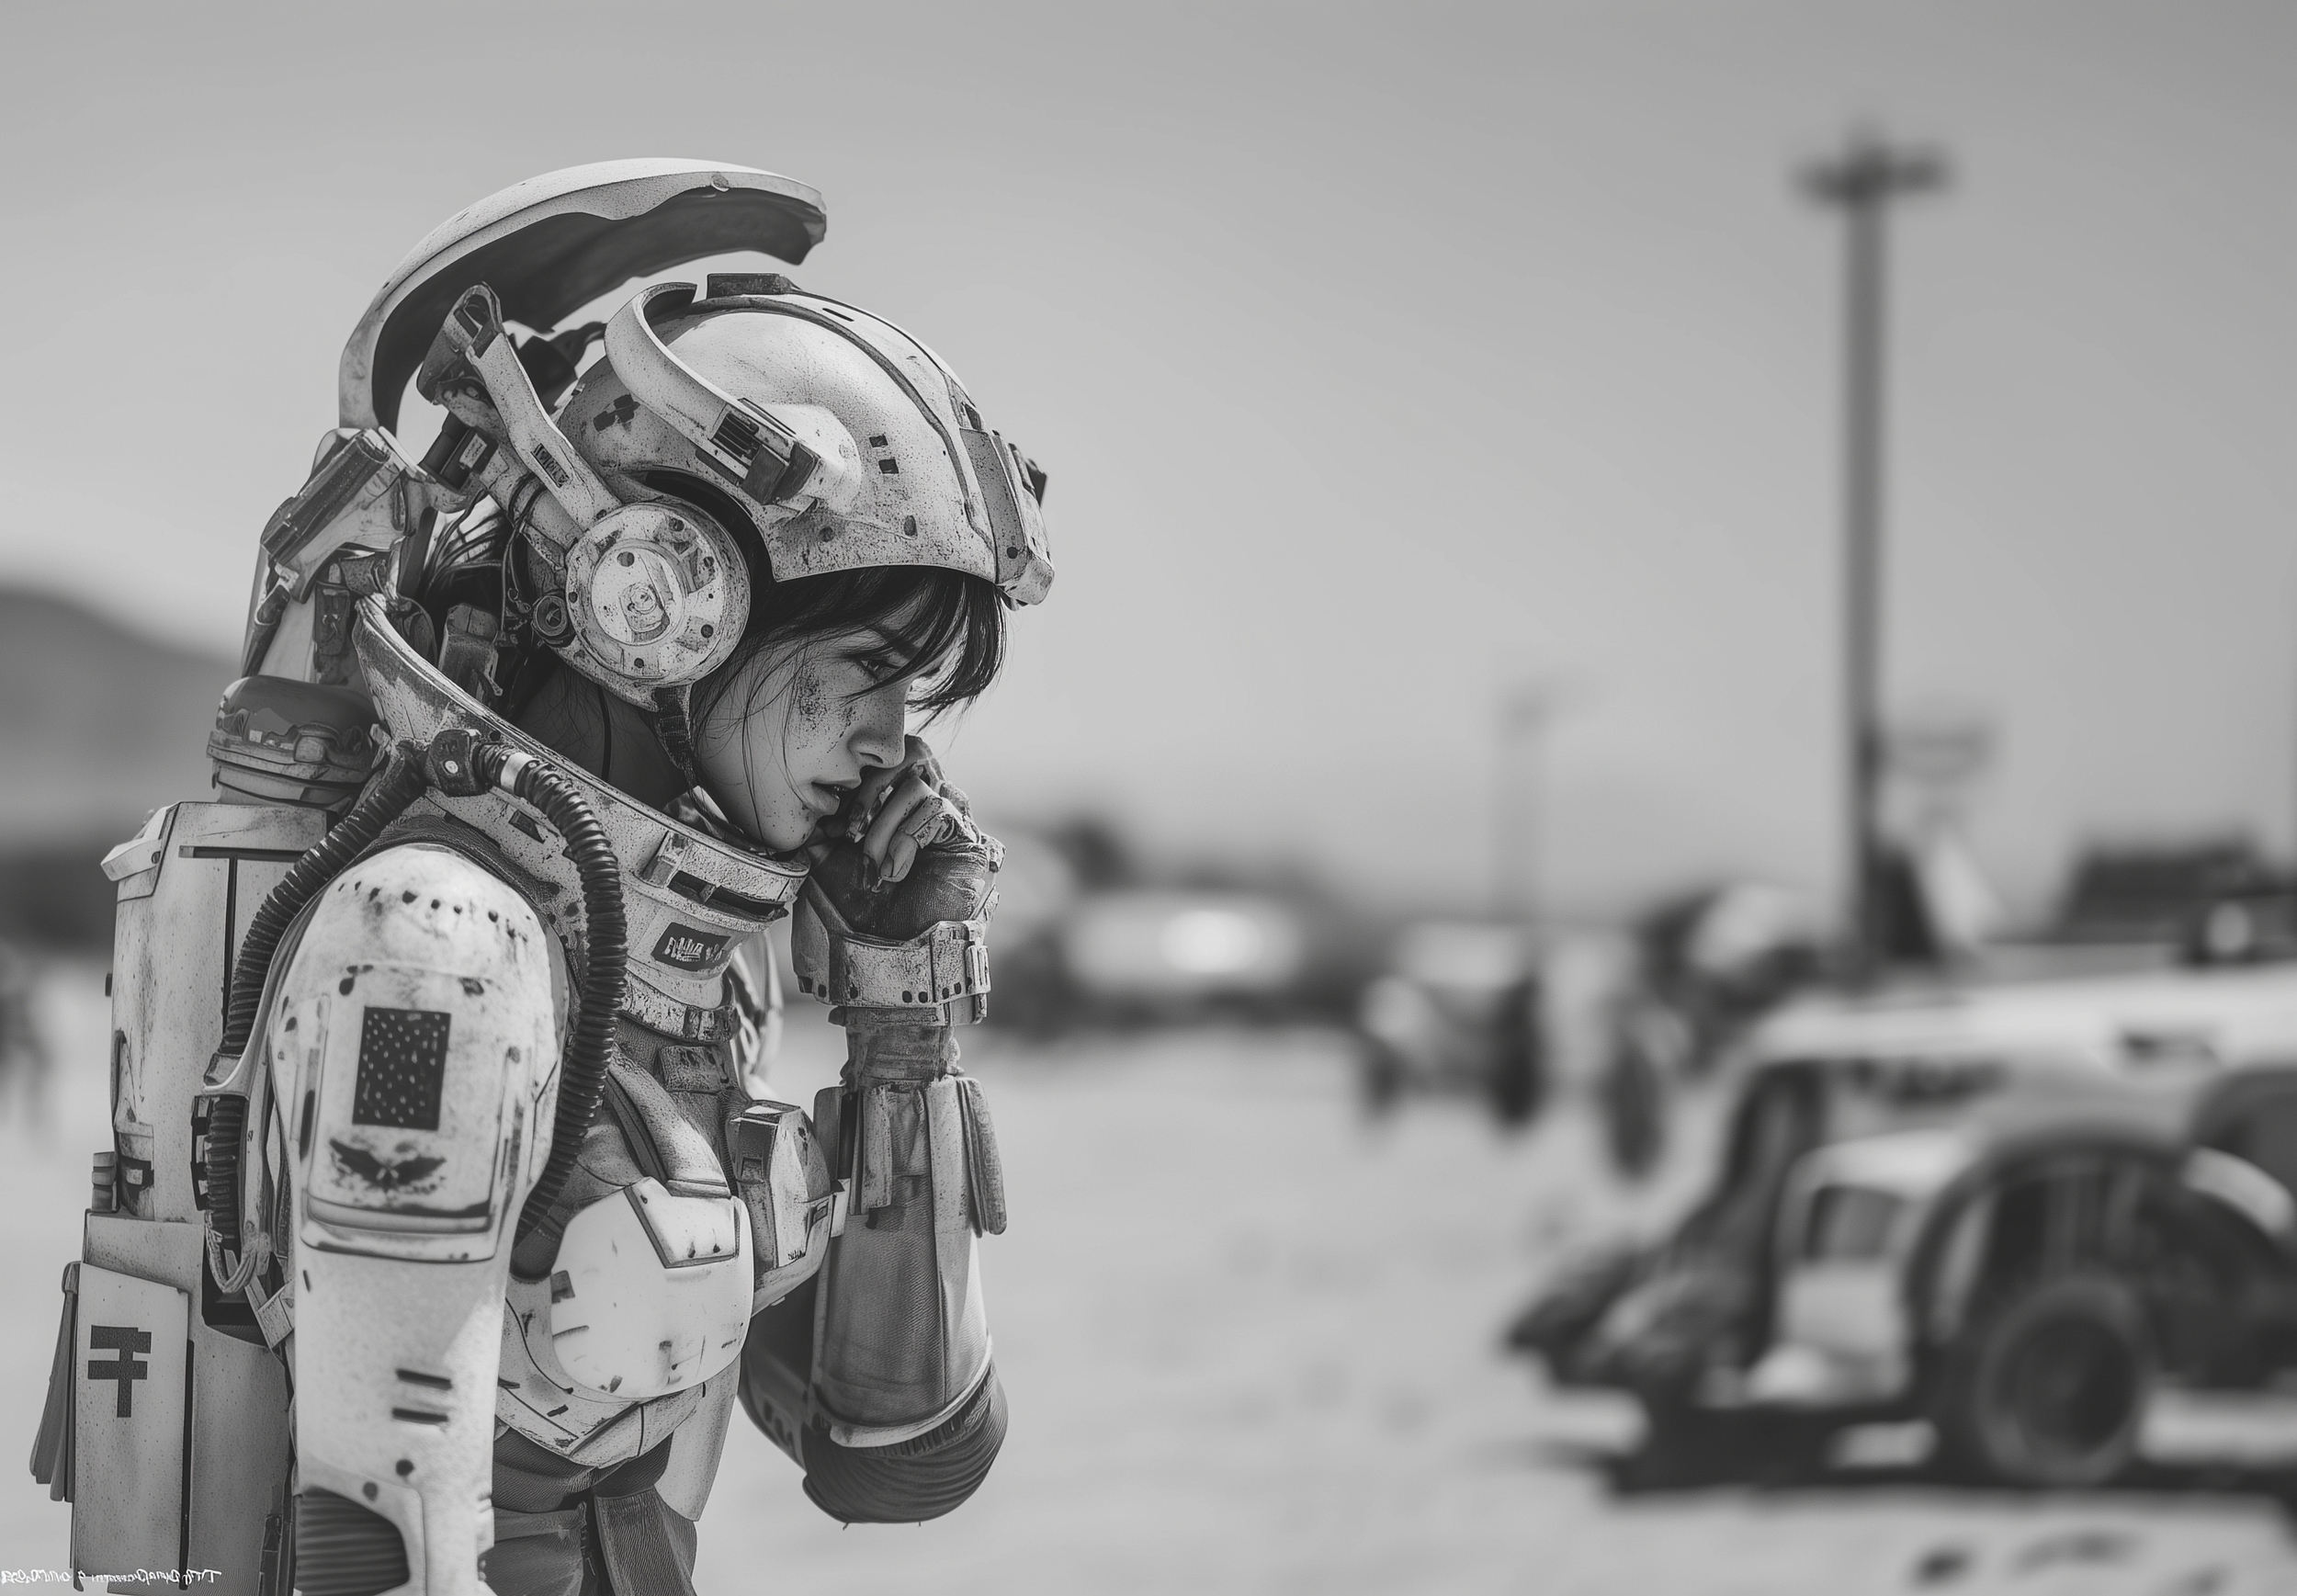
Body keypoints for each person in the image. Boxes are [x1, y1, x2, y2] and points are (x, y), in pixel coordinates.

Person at [204, 164, 1049, 1594]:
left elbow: (897, 1452)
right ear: (652, 594)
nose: (893, 745)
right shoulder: (435, 940)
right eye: (858, 673)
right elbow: (379, 1543)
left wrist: (907, 1017)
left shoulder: (696, 965)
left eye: (913, 698)